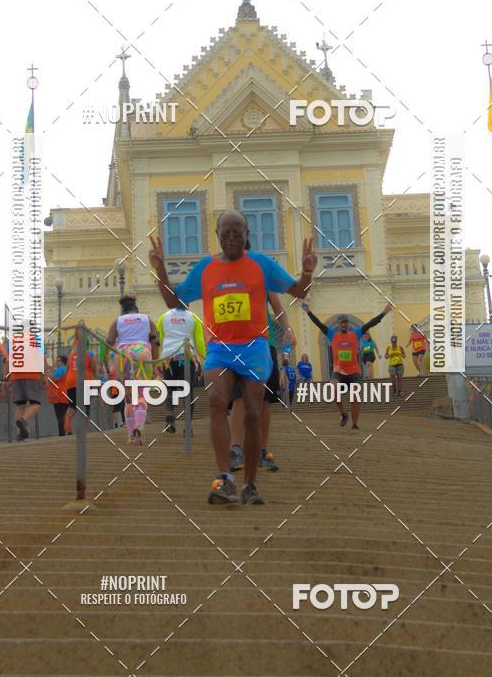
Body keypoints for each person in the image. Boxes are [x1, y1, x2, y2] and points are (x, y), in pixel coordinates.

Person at [148, 210, 316, 505]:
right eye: (226, 232)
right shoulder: (206, 268)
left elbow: (300, 292)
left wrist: (308, 271)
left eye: (238, 232)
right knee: (216, 401)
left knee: (252, 413)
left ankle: (250, 483)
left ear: (247, 235)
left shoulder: (262, 264)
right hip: (220, 348)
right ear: (218, 235)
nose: (232, 238)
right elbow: (174, 301)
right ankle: (225, 478)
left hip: (254, 348)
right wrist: (161, 270)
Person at [228, 288, 295, 473]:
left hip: (264, 343)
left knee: (264, 399)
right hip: (238, 342)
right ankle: (236, 450)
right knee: (239, 396)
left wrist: (287, 328)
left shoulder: (263, 274)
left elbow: (278, 307)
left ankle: (261, 453)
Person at [303, 302, 393, 429]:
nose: (344, 324)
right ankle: (343, 414)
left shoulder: (355, 334)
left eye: (345, 322)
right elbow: (319, 324)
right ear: (339, 324)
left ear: (348, 324)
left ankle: (355, 423)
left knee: (355, 397)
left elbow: (371, 323)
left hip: (354, 372)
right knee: (334, 389)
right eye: (341, 322)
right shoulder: (332, 335)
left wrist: (384, 312)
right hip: (338, 371)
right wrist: (308, 312)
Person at [104, 295, 160, 445]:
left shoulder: (117, 321)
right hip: (142, 352)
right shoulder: (148, 320)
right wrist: (155, 363)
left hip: (123, 355)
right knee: (141, 394)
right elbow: (155, 343)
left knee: (128, 397)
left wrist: (106, 365)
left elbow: (108, 343)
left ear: (123, 310)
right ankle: (139, 428)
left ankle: (131, 435)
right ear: (136, 309)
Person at [156, 304, 206, 434]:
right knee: (187, 392)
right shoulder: (193, 318)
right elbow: (199, 342)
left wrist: (161, 357)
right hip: (186, 357)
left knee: (170, 389)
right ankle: (187, 426)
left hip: (168, 358)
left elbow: (160, 339)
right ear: (187, 304)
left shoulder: (163, 317)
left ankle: (170, 413)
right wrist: (203, 360)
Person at [65, 325, 98, 433]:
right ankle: (84, 430)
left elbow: (67, 369)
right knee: (86, 407)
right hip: (84, 382)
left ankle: (68, 427)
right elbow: (94, 369)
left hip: (70, 382)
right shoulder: (88, 355)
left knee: (72, 406)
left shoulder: (71, 355)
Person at [47, 355, 69, 436]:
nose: (57, 362)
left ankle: (62, 433)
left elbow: (53, 379)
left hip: (60, 396)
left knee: (60, 416)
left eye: (58, 361)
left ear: (63, 362)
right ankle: (67, 431)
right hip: (65, 395)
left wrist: (48, 371)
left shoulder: (62, 369)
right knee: (64, 415)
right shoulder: (66, 369)